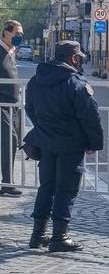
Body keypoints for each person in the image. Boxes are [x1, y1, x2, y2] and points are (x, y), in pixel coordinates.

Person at [23, 41, 103, 252]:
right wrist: (94, 143)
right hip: (71, 144)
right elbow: (90, 118)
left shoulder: (36, 80)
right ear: (73, 58)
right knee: (65, 190)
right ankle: (60, 237)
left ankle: (38, 235)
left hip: (46, 142)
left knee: (47, 187)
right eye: (79, 59)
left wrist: (43, 128)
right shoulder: (76, 83)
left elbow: (29, 108)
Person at [0, 20, 24, 198]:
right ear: (6, 33)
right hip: (2, 105)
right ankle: (8, 183)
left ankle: (7, 181)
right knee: (9, 141)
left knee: (13, 141)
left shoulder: (11, 51)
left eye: (20, 34)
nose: (19, 36)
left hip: (13, 106)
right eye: (16, 33)